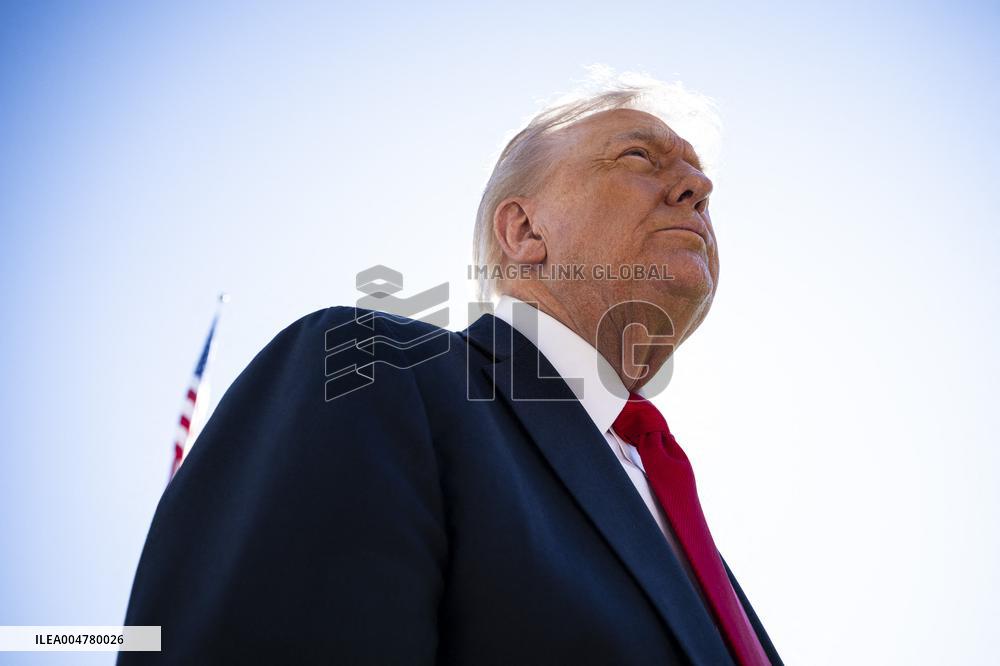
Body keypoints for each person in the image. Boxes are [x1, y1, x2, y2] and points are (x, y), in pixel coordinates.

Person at [120, 74, 782, 665]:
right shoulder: (371, 372)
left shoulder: (696, 551)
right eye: (640, 156)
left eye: (700, 181)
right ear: (523, 232)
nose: (699, 189)